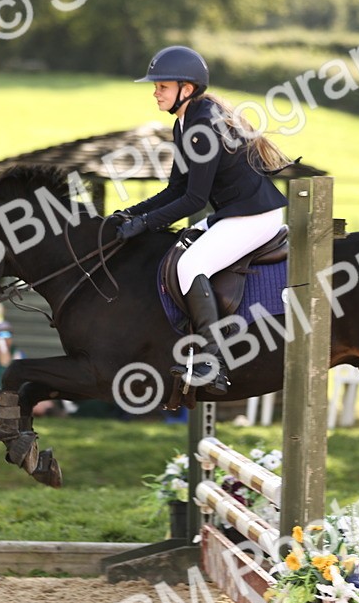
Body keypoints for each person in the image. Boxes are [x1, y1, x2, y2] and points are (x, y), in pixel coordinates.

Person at [110, 45, 290, 396]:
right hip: (234, 213)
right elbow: (175, 188)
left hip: (255, 217)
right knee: (179, 250)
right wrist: (131, 214)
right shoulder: (186, 122)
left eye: (162, 86)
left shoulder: (202, 125)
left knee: (191, 264)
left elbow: (194, 199)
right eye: (156, 86)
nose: (155, 92)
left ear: (186, 89)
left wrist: (145, 224)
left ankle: (212, 360)